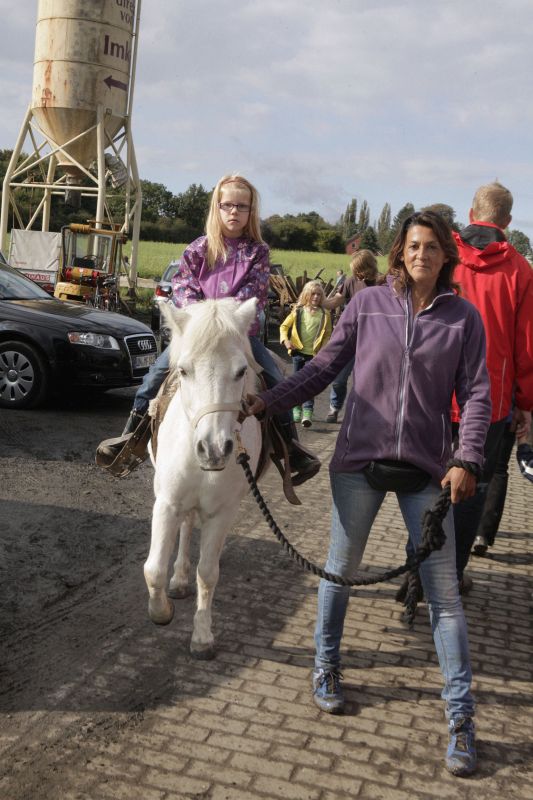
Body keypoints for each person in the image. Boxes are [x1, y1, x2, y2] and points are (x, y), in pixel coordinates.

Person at [246, 210, 491, 777]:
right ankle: (326, 664)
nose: (422, 254)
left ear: (446, 256)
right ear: (400, 252)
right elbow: (324, 368)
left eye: (432, 246)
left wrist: (468, 458)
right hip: (358, 462)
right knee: (340, 570)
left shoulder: (463, 318)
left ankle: (460, 715)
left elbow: (477, 393)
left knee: (444, 596)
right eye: (413, 245)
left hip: (428, 471)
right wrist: (268, 402)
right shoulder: (368, 304)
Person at [97, 174, 319, 484]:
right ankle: (130, 438)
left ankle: (291, 449)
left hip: (238, 334)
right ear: (217, 207)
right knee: (154, 377)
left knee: (274, 377)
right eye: (227, 205)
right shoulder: (198, 249)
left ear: (251, 211)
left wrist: (220, 318)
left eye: (242, 206)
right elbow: (183, 287)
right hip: (199, 335)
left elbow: (253, 293)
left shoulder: (258, 252)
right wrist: (204, 319)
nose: (234, 211)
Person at [451, 182, 533, 578]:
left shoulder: (445, 255)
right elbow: (526, 345)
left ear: (471, 213)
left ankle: (419, 567)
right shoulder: (520, 270)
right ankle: (452, 574)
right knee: (472, 489)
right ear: (508, 221)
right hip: (493, 401)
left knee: (428, 485)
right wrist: (525, 403)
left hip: (436, 393)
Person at [323, 250, 379, 423]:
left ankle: (362, 414)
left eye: (358, 270)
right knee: (339, 379)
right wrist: (320, 302)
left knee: (365, 382)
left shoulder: (382, 283)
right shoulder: (351, 281)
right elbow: (336, 300)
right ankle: (334, 408)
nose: (355, 274)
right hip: (350, 338)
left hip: (373, 340)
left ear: (367, 267)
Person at [280, 280, 332, 427]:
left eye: (319, 294)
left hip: (314, 355)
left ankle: (307, 412)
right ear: (306, 295)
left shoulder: (325, 314)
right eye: (313, 294)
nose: (316, 297)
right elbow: (284, 327)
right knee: (297, 382)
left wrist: (323, 349)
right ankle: (296, 408)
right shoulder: (298, 311)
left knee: (309, 383)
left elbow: (327, 334)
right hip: (298, 353)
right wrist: (286, 341)